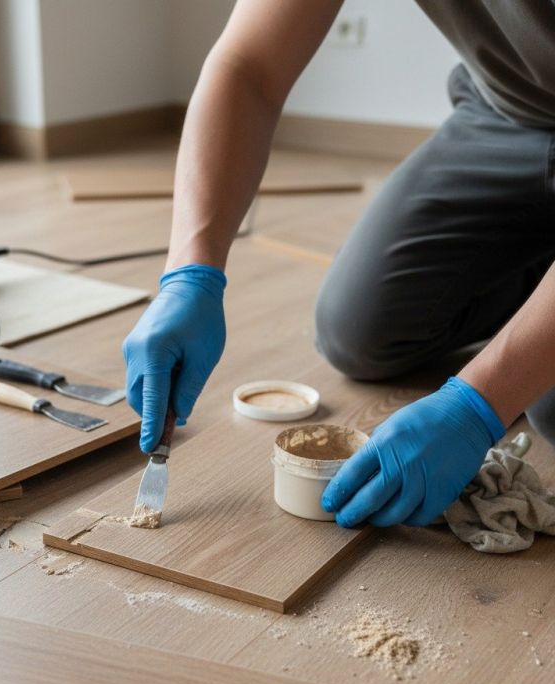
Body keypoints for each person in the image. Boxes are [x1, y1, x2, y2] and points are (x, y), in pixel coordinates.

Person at [122, 0, 555, 529]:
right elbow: (249, 65)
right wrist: (191, 273)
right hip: (507, 115)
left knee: (549, 409)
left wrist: (480, 403)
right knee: (358, 330)